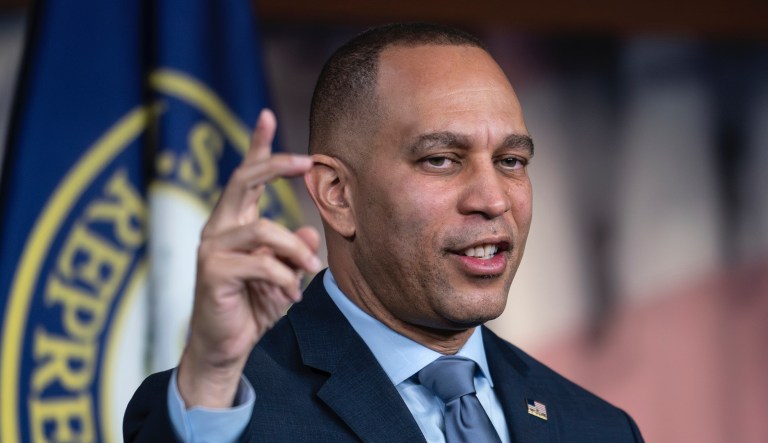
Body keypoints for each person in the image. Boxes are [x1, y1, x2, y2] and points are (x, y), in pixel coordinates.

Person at [124, 23, 644, 442]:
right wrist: (213, 379)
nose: (492, 198)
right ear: (337, 194)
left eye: (510, 160)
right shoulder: (223, 411)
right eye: (441, 160)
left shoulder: (598, 428)